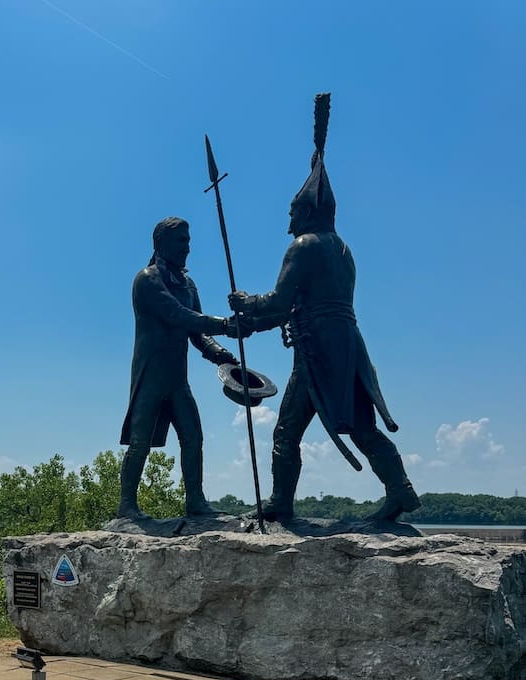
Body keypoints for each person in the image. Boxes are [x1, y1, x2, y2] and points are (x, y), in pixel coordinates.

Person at [227, 96, 420, 523]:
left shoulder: (304, 247)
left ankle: (280, 502)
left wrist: (246, 304)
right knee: (364, 426)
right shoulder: (343, 250)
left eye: (293, 211)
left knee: (287, 428)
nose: (288, 220)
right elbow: (288, 311)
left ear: (309, 210)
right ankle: (401, 490)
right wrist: (250, 324)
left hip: (317, 353)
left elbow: (279, 303)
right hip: (345, 346)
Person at [118, 217, 238, 520]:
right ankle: (127, 505)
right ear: (162, 243)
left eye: (188, 239)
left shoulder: (188, 284)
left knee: (193, 436)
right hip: (150, 377)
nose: (188, 246)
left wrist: (221, 354)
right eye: (181, 240)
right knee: (139, 441)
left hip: (177, 379)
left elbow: (198, 332)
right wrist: (225, 324)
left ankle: (195, 500)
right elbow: (178, 316)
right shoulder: (146, 280)